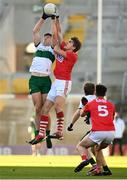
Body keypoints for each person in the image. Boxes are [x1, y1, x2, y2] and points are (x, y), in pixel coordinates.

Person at [29, 12, 82, 145]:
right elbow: (58, 33)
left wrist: (53, 21)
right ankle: (41, 134)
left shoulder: (73, 55)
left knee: (58, 106)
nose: (67, 42)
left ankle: (59, 132)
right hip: (56, 82)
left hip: (64, 82)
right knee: (45, 109)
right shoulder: (64, 47)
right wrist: (56, 19)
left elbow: (56, 44)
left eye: (70, 42)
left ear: (73, 47)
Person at [67, 82, 112, 176]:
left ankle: (90, 163)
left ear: (84, 90)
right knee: (95, 148)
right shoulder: (107, 102)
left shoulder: (86, 99)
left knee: (81, 145)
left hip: (98, 130)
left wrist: (71, 124)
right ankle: (104, 169)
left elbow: (80, 113)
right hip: (111, 131)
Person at [28, 10, 57, 148]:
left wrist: (53, 20)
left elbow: (55, 34)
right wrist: (44, 17)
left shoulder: (52, 50)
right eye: (45, 37)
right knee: (37, 107)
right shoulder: (38, 46)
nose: (46, 38)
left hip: (46, 80)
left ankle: (48, 133)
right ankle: (38, 133)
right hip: (34, 79)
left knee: (45, 109)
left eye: (49, 37)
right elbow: (35, 31)